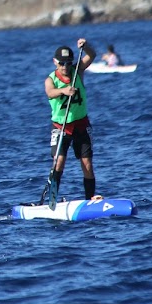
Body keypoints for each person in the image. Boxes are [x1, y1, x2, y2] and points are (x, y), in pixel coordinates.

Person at [44, 39, 98, 201]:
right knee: (59, 162)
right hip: (61, 127)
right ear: (55, 62)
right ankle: (52, 199)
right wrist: (64, 91)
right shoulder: (51, 79)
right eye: (61, 63)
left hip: (81, 125)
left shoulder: (78, 71)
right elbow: (50, 93)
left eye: (68, 63)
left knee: (87, 165)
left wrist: (85, 46)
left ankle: (90, 199)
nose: (65, 67)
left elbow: (92, 55)